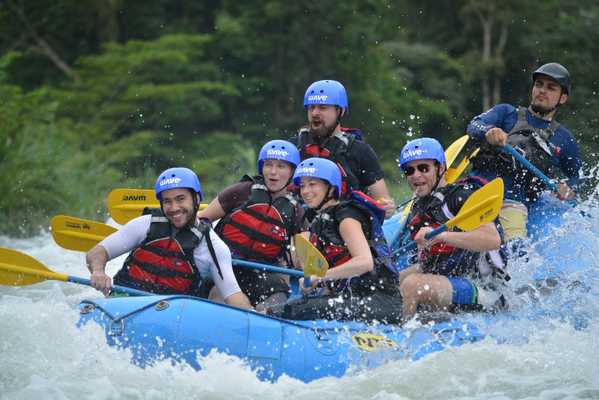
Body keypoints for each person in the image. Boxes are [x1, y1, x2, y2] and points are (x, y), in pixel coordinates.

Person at [86, 167, 251, 309]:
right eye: (167, 201)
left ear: (196, 199)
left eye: (180, 199)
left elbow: (233, 296)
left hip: (169, 314)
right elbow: (97, 252)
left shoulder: (213, 247)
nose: (174, 208)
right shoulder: (145, 224)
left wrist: (254, 316)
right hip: (123, 302)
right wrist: (99, 271)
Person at [272, 157, 402, 324]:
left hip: (380, 302)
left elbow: (365, 262)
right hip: (353, 299)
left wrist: (320, 277)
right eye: (303, 185)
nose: (305, 191)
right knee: (294, 305)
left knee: (292, 309)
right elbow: (335, 276)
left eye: (312, 184)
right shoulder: (320, 222)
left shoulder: (347, 217)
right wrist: (314, 284)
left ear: (331, 188)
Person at [466, 62, 582, 241]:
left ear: (563, 98)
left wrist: (568, 188)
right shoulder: (506, 112)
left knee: (513, 247)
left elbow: (576, 176)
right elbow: (474, 125)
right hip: (474, 190)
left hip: (512, 204)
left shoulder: (564, 139)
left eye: (551, 87)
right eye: (539, 85)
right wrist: (489, 131)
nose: (542, 90)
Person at [397, 138, 509, 322]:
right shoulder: (418, 208)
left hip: (487, 290)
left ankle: (398, 336)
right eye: (410, 170)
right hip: (450, 283)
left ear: (440, 169)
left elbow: (492, 239)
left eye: (423, 168)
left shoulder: (461, 196)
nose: (416, 175)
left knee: (412, 285)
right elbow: (430, 263)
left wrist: (441, 236)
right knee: (389, 283)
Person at [197, 140, 304, 309]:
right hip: (226, 268)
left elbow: (302, 257)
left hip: (263, 274)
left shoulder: (295, 211)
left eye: (281, 166)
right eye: (268, 165)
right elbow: (202, 218)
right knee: (219, 296)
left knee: (276, 300)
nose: (273, 172)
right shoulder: (242, 191)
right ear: (262, 167)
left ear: (292, 171)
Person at [294, 79, 396, 218]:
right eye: (311, 107)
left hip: (344, 224)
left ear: (340, 111)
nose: (315, 113)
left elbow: (382, 201)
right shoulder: (295, 147)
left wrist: (387, 208)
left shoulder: (360, 151)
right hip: (304, 226)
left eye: (323, 107)